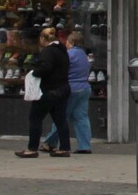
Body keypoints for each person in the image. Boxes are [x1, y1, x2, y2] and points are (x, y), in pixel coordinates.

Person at [15, 27, 71, 160]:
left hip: (48, 90)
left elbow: (45, 68)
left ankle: (32, 149)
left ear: (43, 38)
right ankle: (64, 148)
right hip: (62, 89)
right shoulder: (62, 51)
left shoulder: (48, 51)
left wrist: (34, 72)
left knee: (35, 118)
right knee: (60, 120)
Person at [42, 28, 92, 154]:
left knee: (61, 117)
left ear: (71, 42)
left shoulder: (69, 54)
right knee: (81, 117)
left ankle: (49, 142)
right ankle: (84, 145)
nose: (66, 44)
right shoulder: (84, 55)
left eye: (68, 42)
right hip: (85, 88)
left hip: (71, 88)